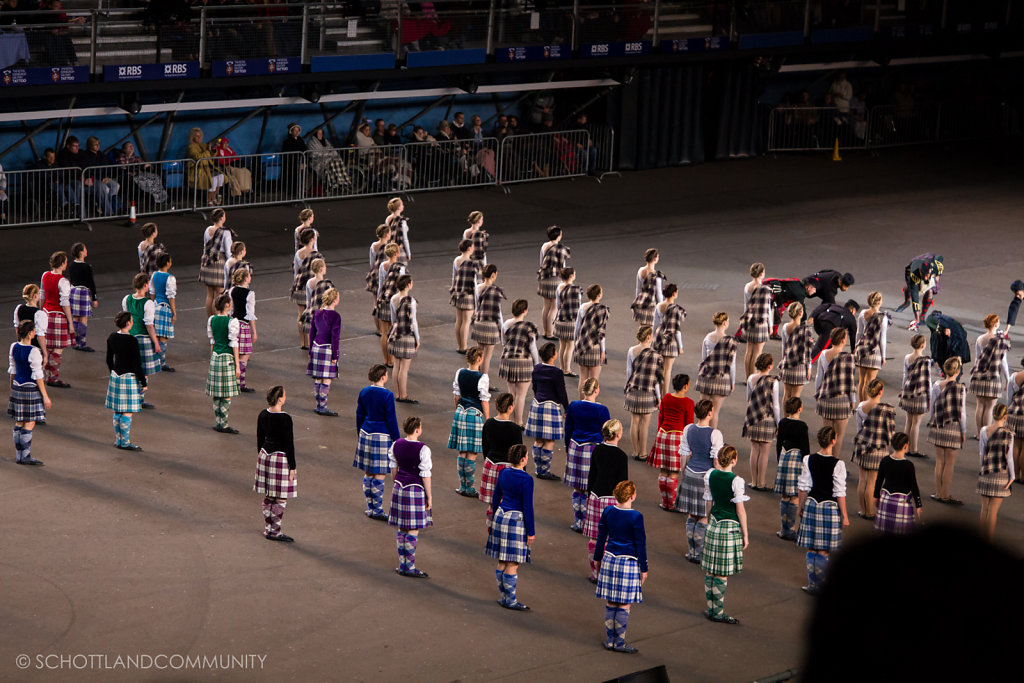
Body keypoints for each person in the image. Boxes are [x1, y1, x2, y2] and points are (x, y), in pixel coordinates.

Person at [594, 480, 648, 653]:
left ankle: (610, 640)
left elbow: (601, 537)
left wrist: (597, 558)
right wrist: (644, 567)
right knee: (624, 604)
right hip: (628, 562)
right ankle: (620, 642)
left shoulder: (608, 510)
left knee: (611, 601)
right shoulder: (636, 517)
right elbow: (641, 544)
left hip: (610, 559)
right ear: (632, 496)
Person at [797, 427, 849, 595]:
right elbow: (839, 492)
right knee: (823, 550)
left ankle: (813, 584)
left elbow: (803, 487)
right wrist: (845, 515)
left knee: (811, 548)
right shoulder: (838, 464)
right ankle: (821, 585)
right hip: (829, 508)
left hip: (812, 504)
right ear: (833, 441)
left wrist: (801, 506)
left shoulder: (808, 459)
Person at [701, 445, 749, 625]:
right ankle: (718, 612)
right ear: (734, 460)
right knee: (722, 573)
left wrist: (707, 519)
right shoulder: (736, 481)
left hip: (714, 523)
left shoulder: (710, 474)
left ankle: (711, 607)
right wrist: (745, 534)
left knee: (711, 570)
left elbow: (708, 500)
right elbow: (741, 511)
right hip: (730, 527)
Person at [486, 444, 535, 610]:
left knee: (502, 559)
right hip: (515, 520)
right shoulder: (526, 479)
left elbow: (496, 496)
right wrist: (531, 532)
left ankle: (503, 597)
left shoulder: (504, 472)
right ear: (522, 459)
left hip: (501, 515)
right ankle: (511, 600)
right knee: (513, 562)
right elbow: (527, 507)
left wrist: (493, 517)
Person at [676, 399, 723, 562]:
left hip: (690, 474)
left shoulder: (688, 428)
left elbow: (684, 453)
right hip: (706, 477)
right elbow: (716, 461)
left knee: (691, 515)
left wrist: (684, 473)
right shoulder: (715, 434)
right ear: (710, 413)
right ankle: (699, 552)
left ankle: (691, 551)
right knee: (703, 516)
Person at [584, 420, 629, 582]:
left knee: (594, 537)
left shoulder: (597, 450)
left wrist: (590, 494)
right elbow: (623, 483)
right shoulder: (621, 456)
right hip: (612, 500)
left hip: (596, 495)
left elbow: (592, 475)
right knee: (610, 538)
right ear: (618, 434)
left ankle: (594, 572)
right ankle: (606, 573)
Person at [355, 364, 401, 521]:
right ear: (383, 377)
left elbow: (359, 414)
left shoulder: (364, 391)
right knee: (380, 473)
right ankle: (378, 509)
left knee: (368, 472)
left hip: (365, 432)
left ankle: (370, 507)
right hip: (381, 435)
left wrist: (359, 432)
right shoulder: (387, 395)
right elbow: (391, 420)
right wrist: (397, 440)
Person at [389, 416, 433, 578]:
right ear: (417, 430)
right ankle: (410, 566)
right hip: (415, 489)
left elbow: (394, 467)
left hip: (399, 487)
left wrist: (396, 482)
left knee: (402, 527)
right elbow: (425, 475)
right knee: (413, 528)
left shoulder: (396, 444)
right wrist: (429, 497)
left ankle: (402, 564)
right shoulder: (423, 449)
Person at [564, 378, 611, 532]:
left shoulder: (574, 406)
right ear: (596, 390)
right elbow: (606, 434)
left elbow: (568, 429)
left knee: (577, 488)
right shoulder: (602, 410)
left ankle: (578, 521)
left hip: (575, 447)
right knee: (591, 488)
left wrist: (567, 448)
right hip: (593, 450)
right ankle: (590, 522)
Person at [254, 386, 297, 542]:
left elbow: (260, 438)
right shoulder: (285, 418)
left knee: (269, 495)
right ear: (280, 399)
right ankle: (276, 530)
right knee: (280, 497)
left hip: (265, 455)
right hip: (280, 457)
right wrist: (292, 466)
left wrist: (261, 456)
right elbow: (289, 444)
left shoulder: (263, 414)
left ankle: (268, 528)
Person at [648, 373, 695, 511]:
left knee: (663, 471)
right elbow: (689, 425)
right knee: (674, 472)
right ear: (685, 386)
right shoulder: (688, 403)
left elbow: (660, 418)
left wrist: (659, 435)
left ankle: (665, 501)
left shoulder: (666, 398)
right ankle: (672, 503)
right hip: (678, 437)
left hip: (663, 434)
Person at [525, 342, 570, 480]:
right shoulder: (557, 373)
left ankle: (538, 469)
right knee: (549, 440)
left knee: (538, 439)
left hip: (537, 404)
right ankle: (544, 471)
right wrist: (567, 409)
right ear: (554, 355)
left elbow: (535, 387)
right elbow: (561, 392)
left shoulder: (537, 368)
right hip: (551, 406)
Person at [449, 348, 491, 497]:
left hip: (461, 411)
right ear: (479, 358)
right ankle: (470, 487)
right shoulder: (482, 377)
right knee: (472, 452)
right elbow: (484, 401)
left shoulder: (460, 372)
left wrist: (458, 410)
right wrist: (487, 420)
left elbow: (456, 395)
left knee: (462, 451)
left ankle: (462, 486)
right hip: (475, 414)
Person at [852, 379, 896, 518]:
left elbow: (859, 428)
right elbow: (890, 433)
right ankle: (870, 512)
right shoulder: (886, 409)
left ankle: (863, 509)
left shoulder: (861, 407)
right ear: (881, 392)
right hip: (878, 448)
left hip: (862, 445)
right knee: (872, 480)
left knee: (862, 479)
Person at [8, 320, 50, 465]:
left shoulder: (14, 347)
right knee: (30, 421)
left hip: (17, 387)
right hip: (29, 389)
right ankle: (24, 456)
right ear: (31, 333)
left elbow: (12, 370)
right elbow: (38, 376)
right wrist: (45, 396)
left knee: (19, 420)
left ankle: (19, 454)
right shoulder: (34, 351)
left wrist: (11, 388)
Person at [105, 311, 146, 451]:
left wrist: (112, 372)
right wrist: (143, 382)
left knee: (117, 410)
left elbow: (109, 359)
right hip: (128, 377)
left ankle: (118, 440)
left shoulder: (112, 337)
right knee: (128, 411)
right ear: (128, 323)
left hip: (115, 376)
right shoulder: (132, 340)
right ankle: (126, 442)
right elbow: (136, 364)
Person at [928, 357, 966, 504]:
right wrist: (963, 431)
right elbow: (961, 413)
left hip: (938, 424)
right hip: (953, 427)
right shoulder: (961, 388)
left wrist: (933, 421)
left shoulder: (937, 385)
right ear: (958, 371)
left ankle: (938, 493)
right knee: (949, 463)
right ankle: (945, 494)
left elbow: (932, 406)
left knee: (939, 461)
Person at [814, 328, 857, 459]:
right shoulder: (849, 358)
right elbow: (850, 381)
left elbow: (819, 378)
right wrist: (852, 400)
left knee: (827, 434)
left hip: (826, 398)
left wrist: (818, 394)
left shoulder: (823, 354)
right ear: (844, 340)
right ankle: (834, 463)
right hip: (842, 400)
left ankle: (825, 460)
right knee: (838, 436)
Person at [624, 325, 663, 461]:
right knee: (645, 423)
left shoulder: (631, 351)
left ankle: (635, 451)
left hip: (634, 390)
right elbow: (656, 379)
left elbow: (629, 372)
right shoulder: (656, 355)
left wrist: (627, 387)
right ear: (648, 337)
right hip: (648, 392)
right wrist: (659, 397)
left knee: (634, 422)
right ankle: (643, 452)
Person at [498, 299, 540, 427]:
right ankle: (519, 422)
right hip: (523, 362)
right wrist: (537, 364)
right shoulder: (529, 327)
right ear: (525, 311)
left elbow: (504, 342)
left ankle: (507, 419)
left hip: (508, 360)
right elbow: (533, 348)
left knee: (511, 392)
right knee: (521, 395)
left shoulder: (506, 324)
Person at [122, 272, 163, 401]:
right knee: (143, 371)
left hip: (129, 337)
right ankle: (139, 398)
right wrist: (156, 342)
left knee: (131, 368)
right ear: (145, 285)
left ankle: (131, 395)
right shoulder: (148, 303)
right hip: (143, 339)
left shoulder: (127, 299)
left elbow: (126, 318)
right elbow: (149, 325)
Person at [743, 353, 781, 491]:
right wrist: (778, 422)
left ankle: (753, 481)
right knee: (764, 452)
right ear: (770, 366)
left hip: (752, 418)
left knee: (754, 450)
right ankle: (761, 482)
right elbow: (775, 404)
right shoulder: (774, 382)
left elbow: (748, 398)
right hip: (767, 419)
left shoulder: (751, 378)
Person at [480, 393, 523, 513]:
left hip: (490, 465)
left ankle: (491, 529)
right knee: (507, 504)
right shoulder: (515, 429)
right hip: (508, 468)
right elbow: (518, 453)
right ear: (510, 407)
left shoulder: (488, 424)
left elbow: (485, 447)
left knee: (491, 505)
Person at [969, 314, 1011, 438]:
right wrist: (1008, 379)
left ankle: (978, 433)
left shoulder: (980, 339)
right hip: (993, 376)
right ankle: (986, 434)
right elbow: (1003, 362)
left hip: (979, 375)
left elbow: (977, 358)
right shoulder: (1000, 340)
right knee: (989, 407)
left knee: (980, 405)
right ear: (995, 324)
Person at [775, 396, 810, 540]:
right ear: (800, 408)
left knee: (785, 495)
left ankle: (784, 529)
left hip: (784, 456)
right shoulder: (802, 426)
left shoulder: (782, 422)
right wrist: (807, 465)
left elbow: (778, 443)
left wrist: (779, 460)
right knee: (795, 496)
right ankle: (791, 528)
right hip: (797, 460)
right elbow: (805, 448)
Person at [694, 312, 737, 430]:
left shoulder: (707, 338)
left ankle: (699, 434)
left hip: (705, 376)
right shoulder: (730, 341)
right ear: (724, 323)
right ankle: (711, 439)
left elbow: (703, 358)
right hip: (721, 378)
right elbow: (732, 365)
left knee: (703, 410)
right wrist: (732, 382)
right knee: (714, 412)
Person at [873, 432, 922, 534]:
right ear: (906, 446)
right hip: (902, 502)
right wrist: (918, 504)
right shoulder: (908, 465)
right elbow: (914, 486)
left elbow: (879, 480)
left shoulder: (885, 460)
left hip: (886, 500)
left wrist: (876, 496)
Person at [978, 404, 1014, 540]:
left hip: (986, 471)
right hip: (1001, 474)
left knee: (984, 509)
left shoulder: (983, 431)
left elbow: (982, 454)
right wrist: (1013, 477)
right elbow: (1009, 459)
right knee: (993, 512)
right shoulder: (1009, 434)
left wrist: (982, 469)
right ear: (1005, 417)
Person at [206, 293, 240, 434]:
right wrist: (237, 365)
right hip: (226, 358)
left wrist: (212, 358)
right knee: (226, 394)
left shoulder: (211, 319)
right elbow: (234, 344)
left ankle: (218, 422)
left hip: (215, 357)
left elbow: (212, 341)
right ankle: (224, 424)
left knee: (217, 393)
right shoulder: (232, 322)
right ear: (227, 305)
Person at [39, 251, 75, 388]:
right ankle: (52, 377)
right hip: (58, 316)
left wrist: (41, 312)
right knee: (58, 349)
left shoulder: (45, 275)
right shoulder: (63, 281)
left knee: (46, 347)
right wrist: (70, 323)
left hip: (46, 313)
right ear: (62, 263)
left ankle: (43, 375)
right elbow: (65, 303)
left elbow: (42, 295)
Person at [307, 287, 341, 417]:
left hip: (316, 347)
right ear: (335, 300)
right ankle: (323, 407)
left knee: (318, 378)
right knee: (327, 380)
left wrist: (310, 349)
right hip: (327, 349)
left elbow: (312, 333)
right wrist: (335, 355)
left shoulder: (317, 313)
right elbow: (335, 337)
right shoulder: (336, 316)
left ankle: (318, 405)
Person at [899, 334, 933, 459]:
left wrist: (903, 390)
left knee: (908, 421)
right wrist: (929, 397)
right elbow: (927, 380)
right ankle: (914, 449)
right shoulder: (926, 360)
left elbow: (905, 376)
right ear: (923, 345)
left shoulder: (907, 358)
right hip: (920, 393)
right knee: (916, 423)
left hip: (908, 391)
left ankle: (904, 447)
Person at [387, 274, 420, 404]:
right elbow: (414, 321)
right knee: (404, 368)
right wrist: (417, 338)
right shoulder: (410, 301)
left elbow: (393, 318)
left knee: (396, 365)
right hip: (407, 335)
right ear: (408, 285)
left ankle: (397, 393)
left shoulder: (393, 298)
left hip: (395, 333)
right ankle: (403, 395)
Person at [739, 263, 773, 381]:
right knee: (757, 352)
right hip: (761, 322)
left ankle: (747, 377)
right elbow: (768, 309)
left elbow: (746, 305)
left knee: (749, 351)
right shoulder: (765, 289)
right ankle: (753, 378)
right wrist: (770, 325)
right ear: (762, 273)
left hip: (749, 320)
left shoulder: (747, 286)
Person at [574, 284, 610, 395]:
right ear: (599, 295)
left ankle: (581, 402)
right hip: (594, 347)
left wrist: (576, 342)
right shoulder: (602, 310)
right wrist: (603, 350)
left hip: (582, 345)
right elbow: (601, 333)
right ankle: (590, 403)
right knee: (593, 380)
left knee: (583, 378)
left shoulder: (582, 307)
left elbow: (577, 327)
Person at [471, 265, 505, 378]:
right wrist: (501, 328)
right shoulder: (496, 291)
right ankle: (484, 381)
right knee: (487, 357)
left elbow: (477, 306)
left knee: (479, 354)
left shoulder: (478, 288)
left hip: (479, 322)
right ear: (493, 275)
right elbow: (498, 312)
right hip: (491, 325)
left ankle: (476, 378)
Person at [290, 227, 322, 349]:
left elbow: (296, 271)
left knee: (300, 314)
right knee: (312, 314)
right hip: (312, 287)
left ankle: (303, 342)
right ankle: (311, 340)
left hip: (300, 286)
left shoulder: (298, 254)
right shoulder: (316, 255)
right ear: (312, 239)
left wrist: (296, 284)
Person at [853, 292, 888, 402]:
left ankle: (860, 406)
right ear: (878, 302)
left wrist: (855, 347)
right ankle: (866, 408)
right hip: (874, 350)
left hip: (862, 348)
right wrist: (883, 356)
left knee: (862, 381)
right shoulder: (883, 317)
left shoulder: (863, 313)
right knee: (870, 382)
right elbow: (882, 339)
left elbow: (858, 333)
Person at [537, 225, 570, 339]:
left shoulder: (544, 246)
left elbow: (541, 262)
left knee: (546, 305)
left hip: (544, 277)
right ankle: (550, 333)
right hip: (555, 279)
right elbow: (563, 266)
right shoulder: (561, 248)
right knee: (554, 307)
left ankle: (545, 331)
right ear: (559, 235)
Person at [374, 244, 405, 367]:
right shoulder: (400, 268)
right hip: (394, 301)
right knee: (393, 332)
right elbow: (401, 287)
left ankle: (386, 359)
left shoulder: (383, 266)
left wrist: (378, 300)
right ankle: (392, 360)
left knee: (384, 333)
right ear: (397, 253)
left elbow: (381, 285)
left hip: (383, 300)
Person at [896, 253, 943, 332]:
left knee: (930, 292)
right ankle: (906, 302)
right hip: (911, 271)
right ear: (921, 272)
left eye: (926, 275)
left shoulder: (936, 266)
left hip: (929, 264)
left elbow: (940, 258)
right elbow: (915, 300)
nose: (925, 277)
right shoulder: (914, 273)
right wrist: (916, 321)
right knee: (911, 289)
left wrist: (937, 276)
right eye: (923, 275)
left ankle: (922, 316)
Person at [198, 209, 233, 317]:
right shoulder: (225, 232)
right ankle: (217, 319)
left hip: (207, 261)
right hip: (219, 262)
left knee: (209, 295)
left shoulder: (208, 229)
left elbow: (205, 246)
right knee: (219, 294)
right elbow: (228, 251)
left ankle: (210, 320)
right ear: (222, 218)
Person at [228, 268, 257, 394]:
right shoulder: (250, 294)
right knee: (244, 355)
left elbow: (230, 309)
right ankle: (240, 383)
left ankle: (232, 381)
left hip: (233, 323)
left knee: (234, 353)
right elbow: (250, 314)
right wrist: (254, 331)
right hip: (243, 326)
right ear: (246, 278)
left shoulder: (232, 290)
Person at [779, 302, 814, 402]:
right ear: (800, 313)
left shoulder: (785, 327)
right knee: (795, 397)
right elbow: (807, 351)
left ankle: (785, 416)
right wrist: (809, 367)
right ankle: (793, 416)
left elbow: (784, 347)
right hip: (800, 366)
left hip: (787, 364)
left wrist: (784, 362)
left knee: (786, 395)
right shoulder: (805, 330)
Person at [450, 239, 480, 354]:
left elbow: (454, 277)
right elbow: (474, 283)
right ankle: (464, 346)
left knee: (459, 320)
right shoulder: (472, 263)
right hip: (468, 294)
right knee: (466, 321)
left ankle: (459, 345)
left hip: (458, 292)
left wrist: (453, 290)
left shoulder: (457, 260)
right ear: (469, 249)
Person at [67, 242, 98, 353]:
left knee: (76, 318)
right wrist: (94, 298)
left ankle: (75, 342)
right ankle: (82, 343)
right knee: (84, 318)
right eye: (85, 249)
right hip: (83, 293)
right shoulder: (87, 266)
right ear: (81, 252)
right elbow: (91, 283)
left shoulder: (71, 265)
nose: (86, 251)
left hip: (73, 291)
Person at [148, 253, 176, 373]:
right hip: (164, 308)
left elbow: (152, 293)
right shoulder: (170, 278)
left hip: (155, 306)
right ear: (167, 263)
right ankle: (161, 362)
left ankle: (155, 360)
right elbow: (171, 297)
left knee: (156, 335)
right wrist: (174, 312)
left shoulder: (154, 275)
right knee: (163, 336)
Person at [652, 284, 685, 385]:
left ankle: (659, 392)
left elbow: (655, 324)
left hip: (659, 335)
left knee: (660, 369)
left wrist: (653, 339)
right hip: (671, 339)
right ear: (674, 294)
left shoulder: (659, 306)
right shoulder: (676, 309)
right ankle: (664, 394)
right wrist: (680, 346)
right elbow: (677, 329)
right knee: (667, 370)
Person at [117, 141, 169, 206]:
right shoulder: (122, 158)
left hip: (141, 174)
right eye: (129, 146)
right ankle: (152, 199)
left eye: (132, 146)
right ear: (124, 149)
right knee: (145, 181)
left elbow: (143, 165)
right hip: (131, 176)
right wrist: (137, 168)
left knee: (155, 177)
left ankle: (161, 198)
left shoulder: (136, 158)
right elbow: (123, 168)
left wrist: (146, 166)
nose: (131, 147)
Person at [186, 127, 226, 207]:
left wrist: (214, 150)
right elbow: (198, 157)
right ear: (192, 137)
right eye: (197, 136)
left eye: (200, 136)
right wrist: (208, 150)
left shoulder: (204, 145)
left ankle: (214, 197)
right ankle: (208, 200)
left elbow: (211, 155)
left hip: (208, 167)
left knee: (221, 177)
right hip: (198, 170)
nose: (199, 137)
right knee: (213, 179)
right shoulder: (191, 147)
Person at [13, 285, 48, 370]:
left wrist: (20, 342)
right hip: (35, 347)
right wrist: (45, 353)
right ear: (35, 296)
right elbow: (40, 336)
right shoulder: (39, 314)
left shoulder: (19, 308)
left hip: (22, 345)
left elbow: (17, 327)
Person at [553, 267, 581, 375]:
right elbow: (578, 306)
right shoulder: (576, 289)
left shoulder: (559, 287)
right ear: (571, 276)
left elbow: (558, 304)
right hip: (571, 321)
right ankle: (567, 369)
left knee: (562, 345)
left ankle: (562, 367)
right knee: (570, 346)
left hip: (560, 318)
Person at [629, 248, 664, 327]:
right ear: (655, 259)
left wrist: (638, 302)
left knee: (642, 330)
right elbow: (659, 295)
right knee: (651, 331)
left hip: (641, 303)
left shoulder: (640, 271)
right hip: (651, 305)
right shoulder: (656, 276)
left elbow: (638, 289)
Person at [365, 224, 391, 328]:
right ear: (386, 234)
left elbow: (372, 262)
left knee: (376, 301)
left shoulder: (374, 246)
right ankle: (386, 326)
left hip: (375, 274)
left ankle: (378, 328)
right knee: (386, 301)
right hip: (386, 274)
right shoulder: (389, 247)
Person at [1007, 359, 1024, 482]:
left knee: (1016, 444)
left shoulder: (1015, 377)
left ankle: (1015, 474)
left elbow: (1009, 397)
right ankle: (1023, 476)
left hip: (1013, 412)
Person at [384, 197, 411, 264]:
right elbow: (405, 239)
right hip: (399, 249)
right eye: (402, 204)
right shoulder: (402, 221)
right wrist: (408, 253)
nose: (403, 206)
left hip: (390, 248)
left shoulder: (388, 219)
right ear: (399, 207)